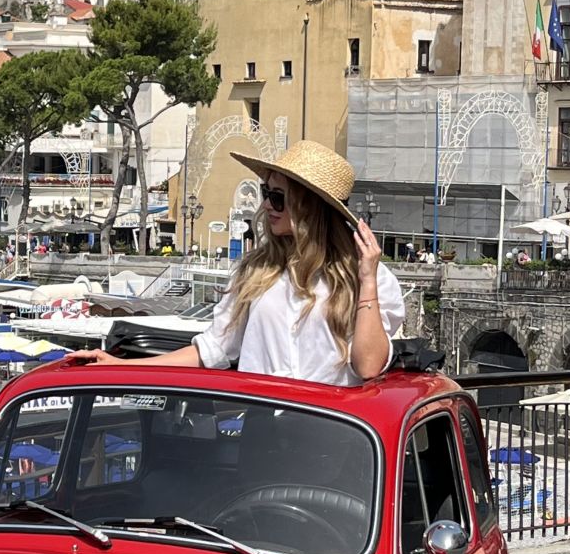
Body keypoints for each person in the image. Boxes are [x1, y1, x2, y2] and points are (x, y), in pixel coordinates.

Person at [66, 142, 405, 386]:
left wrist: (367, 281)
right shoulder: (256, 272)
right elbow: (212, 351)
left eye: (278, 198)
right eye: (266, 193)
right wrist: (119, 366)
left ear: (311, 208)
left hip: (332, 443)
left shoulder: (369, 278)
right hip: (262, 437)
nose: (266, 205)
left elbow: (369, 366)